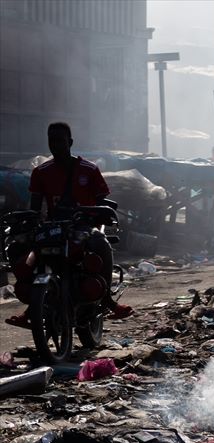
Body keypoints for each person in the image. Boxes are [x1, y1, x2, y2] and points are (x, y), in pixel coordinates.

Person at [6, 121, 132, 328]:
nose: (55, 145)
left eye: (59, 140)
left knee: (102, 245)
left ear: (70, 142)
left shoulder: (89, 170)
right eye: (51, 141)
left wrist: (100, 215)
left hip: (82, 228)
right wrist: (27, 221)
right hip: (52, 228)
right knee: (16, 246)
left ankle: (108, 301)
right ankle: (32, 307)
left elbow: (101, 201)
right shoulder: (40, 172)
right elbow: (36, 208)